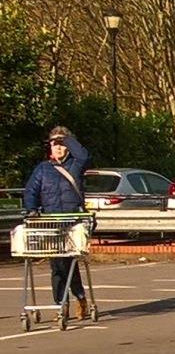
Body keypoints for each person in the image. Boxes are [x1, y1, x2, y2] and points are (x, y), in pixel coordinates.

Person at [23, 126, 90, 320]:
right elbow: (31, 192)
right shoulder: (43, 169)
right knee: (57, 266)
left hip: (72, 222)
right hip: (50, 223)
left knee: (69, 262)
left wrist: (66, 138)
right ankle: (61, 304)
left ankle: (79, 298)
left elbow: (84, 156)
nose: (58, 148)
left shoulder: (76, 165)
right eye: (54, 144)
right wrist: (32, 209)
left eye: (61, 145)